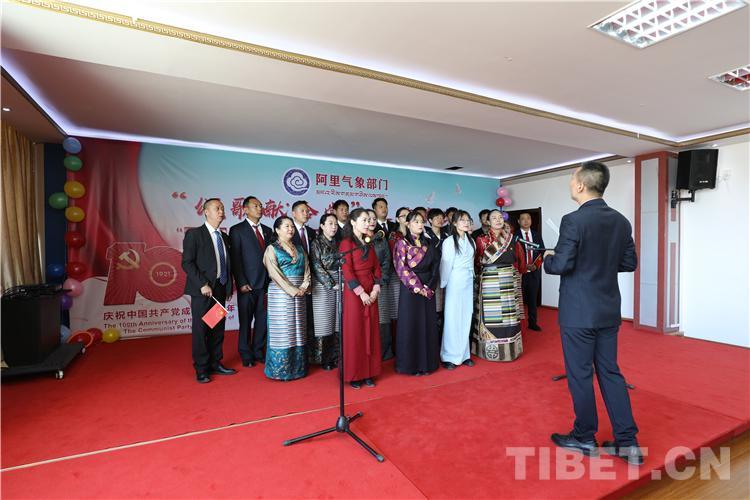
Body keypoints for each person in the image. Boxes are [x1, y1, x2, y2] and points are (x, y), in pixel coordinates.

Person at [543, 161, 642, 465]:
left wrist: (549, 258)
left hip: (578, 312)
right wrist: (600, 262)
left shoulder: (573, 220)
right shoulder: (621, 221)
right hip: (608, 309)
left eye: (572, 178)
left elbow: (561, 264)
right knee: (610, 372)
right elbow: (629, 263)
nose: (570, 183)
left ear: (581, 185)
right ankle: (628, 442)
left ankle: (584, 436)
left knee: (580, 374)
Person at [181, 198, 237, 383]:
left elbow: (228, 265)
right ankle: (201, 368)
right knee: (201, 329)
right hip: (203, 291)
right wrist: (202, 284)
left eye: (222, 208)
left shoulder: (224, 237)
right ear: (206, 212)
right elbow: (187, 263)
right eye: (217, 208)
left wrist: (228, 286)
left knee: (217, 328)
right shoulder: (195, 234)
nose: (221, 211)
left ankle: (215, 362)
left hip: (219, 289)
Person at [473, 209, 526, 362]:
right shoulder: (481, 240)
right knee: (491, 316)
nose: (498, 220)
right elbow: (477, 261)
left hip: (508, 280)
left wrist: (520, 273)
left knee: (509, 316)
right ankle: (490, 349)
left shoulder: (512, 239)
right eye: (494, 218)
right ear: (488, 222)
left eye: (500, 217)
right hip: (489, 281)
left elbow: (520, 261)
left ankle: (510, 349)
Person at [263, 216, 311, 381]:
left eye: (292, 226)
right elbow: (274, 274)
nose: (291, 229)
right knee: (283, 331)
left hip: (300, 293)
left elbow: (307, 269)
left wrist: (304, 286)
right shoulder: (272, 249)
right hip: (280, 294)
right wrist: (292, 290)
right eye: (286, 226)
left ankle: (298, 368)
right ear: (277, 230)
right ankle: (281, 370)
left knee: (298, 329)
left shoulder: (299, 248)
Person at [393, 210, 440, 376]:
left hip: (428, 288)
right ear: (408, 224)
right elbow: (401, 268)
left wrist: (429, 286)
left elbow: (436, 266)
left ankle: (428, 364)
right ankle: (410, 365)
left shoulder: (429, 243)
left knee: (428, 324)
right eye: (416, 221)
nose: (420, 224)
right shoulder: (402, 243)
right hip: (410, 290)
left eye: (421, 221)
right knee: (410, 324)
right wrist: (418, 287)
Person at [229, 196, 274, 367]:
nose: (260, 208)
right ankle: (245, 353)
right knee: (246, 321)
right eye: (255, 206)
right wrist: (241, 282)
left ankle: (258, 351)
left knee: (262, 321)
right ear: (245, 209)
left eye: (261, 206)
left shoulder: (268, 230)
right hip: (247, 285)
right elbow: (236, 258)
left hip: (265, 285)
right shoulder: (237, 230)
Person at [339, 208, 382, 388]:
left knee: (370, 331)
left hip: (371, 290)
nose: (368, 223)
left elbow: (376, 267)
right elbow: (347, 270)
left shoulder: (368, 241)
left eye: (369, 220)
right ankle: (355, 374)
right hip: (354, 293)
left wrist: (375, 289)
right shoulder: (346, 243)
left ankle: (369, 372)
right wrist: (361, 292)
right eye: (364, 220)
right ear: (353, 222)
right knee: (355, 332)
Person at [440, 210, 476, 369]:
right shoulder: (449, 241)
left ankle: (464, 354)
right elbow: (446, 264)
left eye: (468, 220)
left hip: (468, 280)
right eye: (462, 220)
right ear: (454, 223)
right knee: (452, 318)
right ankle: (449, 356)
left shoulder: (471, 240)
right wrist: (444, 283)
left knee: (466, 316)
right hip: (454, 280)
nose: (466, 223)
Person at [309, 214, 341, 370]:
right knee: (324, 322)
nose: (334, 227)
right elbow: (316, 266)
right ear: (322, 226)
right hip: (323, 284)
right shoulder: (316, 243)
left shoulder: (338, 242)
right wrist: (331, 284)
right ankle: (323, 359)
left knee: (337, 321)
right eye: (330, 223)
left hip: (339, 282)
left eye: (335, 224)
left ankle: (336, 356)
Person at [290, 200, 317, 361]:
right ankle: (297, 353)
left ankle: (310, 352)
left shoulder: (311, 232)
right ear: (293, 213)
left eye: (307, 211)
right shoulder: (287, 231)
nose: (306, 213)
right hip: (294, 283)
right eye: (302, 211)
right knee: (296, 319)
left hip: (311, 282)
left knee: (310, 317)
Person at [367, 209, 395, 360]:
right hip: (363, 286)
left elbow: (386, 262)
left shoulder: (381, 238)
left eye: (373, 219)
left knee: (383, 318)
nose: (371, 221)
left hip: (380, 285)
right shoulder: (356, 239)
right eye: (368, 219)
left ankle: (384, 353)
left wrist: (380, 282)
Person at [515, 212, 545, 331]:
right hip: (520, 272)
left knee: (533, 299)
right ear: (518, 221)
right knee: (517, 299)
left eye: (528, 218)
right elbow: (513, 255)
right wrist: (523, 265)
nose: (526, 221)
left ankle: (532, 323)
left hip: (534, 272)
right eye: (523, 219)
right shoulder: (514, 236)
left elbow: (542, 251)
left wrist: (536, 265)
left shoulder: (536, 235)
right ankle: (516, 325)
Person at [424, 208, 449, 338]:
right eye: (436, 218)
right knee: (434, 305)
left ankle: (442, 335)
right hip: (431, 273)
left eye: (441, 217)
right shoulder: (425, 235)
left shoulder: (447, 236)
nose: (440, 220)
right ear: (430, 220)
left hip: (445, 272)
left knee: (444, 305)